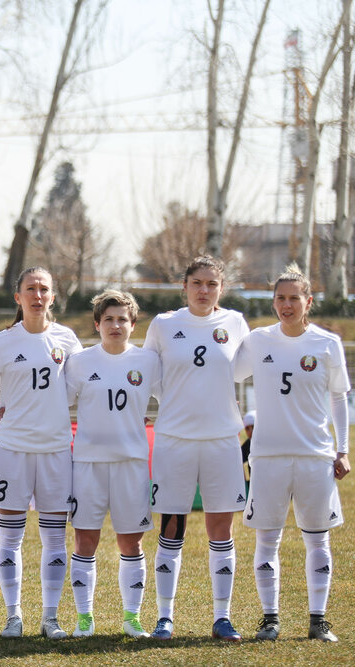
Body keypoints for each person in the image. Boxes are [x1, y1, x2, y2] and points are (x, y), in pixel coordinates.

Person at [234, 264, 350, 642]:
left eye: (294, 298)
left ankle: (318, 621)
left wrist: (342, 449)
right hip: (268, 457)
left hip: (315, 455)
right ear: (273, 302)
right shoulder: (258, 340)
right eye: (280, 298)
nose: (287, 305)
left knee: (317, 540)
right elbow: (227, 373)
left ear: (308, 302)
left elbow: (338, 398)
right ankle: (270, 619)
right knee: (268, 540)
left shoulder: (327, 343)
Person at [143, 256, 249, 641]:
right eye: (197, 283)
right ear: (184, 286)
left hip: (222, 441)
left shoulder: (235, 323)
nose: (204, 290)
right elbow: (150, 374)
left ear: (221, 288)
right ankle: (165, 617)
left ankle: (222, 617)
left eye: (212, 284)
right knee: (172, 526)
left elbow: (245, 371)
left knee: (220, 527)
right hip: (175, 440)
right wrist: (175, 403)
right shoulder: (164, 324)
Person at [0, 267, 83, 639]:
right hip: (12, 451)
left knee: (54, 538)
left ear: (53, 296)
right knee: (10, 536)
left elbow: (80, 390)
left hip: (55, 451)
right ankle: (13, 616)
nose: (37, 295)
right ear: (17, 297)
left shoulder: (67, 340)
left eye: (44, 289)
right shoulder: (0, 343)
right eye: (30, 289)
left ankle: (50, 618)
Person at [64, 289, 161, 639]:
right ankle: (84, 618)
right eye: (109, 319)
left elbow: (173, 399)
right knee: (85, 541)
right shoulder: (79, 362)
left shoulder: (148, 362)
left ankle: (132, 618)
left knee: (131, 543)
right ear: (97, 324)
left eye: (122, 319)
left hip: (131, 464)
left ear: (133, 325)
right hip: (88, 464)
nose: (115, 325)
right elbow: (58, 405)